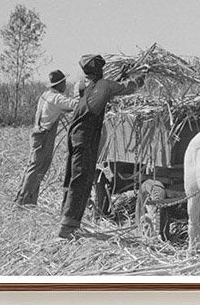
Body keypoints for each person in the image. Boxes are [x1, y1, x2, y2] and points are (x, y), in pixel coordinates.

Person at [58, 54, 146, 239]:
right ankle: (68, 227)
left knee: (72, 177)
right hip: (87, 136)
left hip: (74, 133)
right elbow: (127, 88)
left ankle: (65, 218)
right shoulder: (104, 85)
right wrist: (141, 77)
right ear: (99, 69)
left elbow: (101, 91)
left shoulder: (82, 85)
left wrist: (119, 78)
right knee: (82, 179)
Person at [15, 69, 76, 206]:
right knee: (37, 168)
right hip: (44, 136)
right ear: (59, 84)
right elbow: (73, 105)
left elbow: (63, 108)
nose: (65, 85)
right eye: (64, 82)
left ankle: (27, 200)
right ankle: (23, 201)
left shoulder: (46, 95)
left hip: (37, 134)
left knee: (33, 167)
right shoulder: (56, 97)